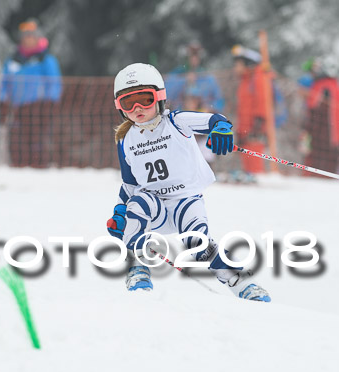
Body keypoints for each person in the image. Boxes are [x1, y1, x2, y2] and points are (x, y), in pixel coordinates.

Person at [106, 63, 270, 302]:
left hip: (185, 201)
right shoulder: (125, 140)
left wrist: (221, 129)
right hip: (155, 208)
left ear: (160, 98)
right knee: (139, 203)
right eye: (129, 103)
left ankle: (242, 282)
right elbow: (130, 185)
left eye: (145, 99)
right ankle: (138, 268)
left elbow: (214, 119)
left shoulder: (176, 121)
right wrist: (120, 212)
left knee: (198, 243)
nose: (138, 108)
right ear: (119, 107)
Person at [0, 18, 62, 167]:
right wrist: (2, 101)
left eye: (32, 36)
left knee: (37, 142)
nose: (28, 39)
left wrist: (51, 103)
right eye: (25, 36)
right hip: (18, 108)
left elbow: (54, 83)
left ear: (38, 37)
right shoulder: (13, 60)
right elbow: (5, 83)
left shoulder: (45, 59)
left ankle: (39, 170)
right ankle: (18, 169)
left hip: (39, 107)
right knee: (17, 142)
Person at [300, 56, 339, 174]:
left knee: (313, 181)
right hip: (336, 148)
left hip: (318, 145)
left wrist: (305, 135)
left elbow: (312, 116)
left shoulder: (320, 89)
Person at [231, 45, 268, 177]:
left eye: (238, 64)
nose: (235, 68)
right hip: (245, 130)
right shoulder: (245, 81)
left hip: (254, 130)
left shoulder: (258, 78)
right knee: (247, 166)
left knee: (255, 166)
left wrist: (258, 125)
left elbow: (262, 102)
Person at [165, 40, 224, 113]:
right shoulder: (176, 76)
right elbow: (166, 96)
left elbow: (219, 100)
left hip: (202, 116)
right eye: (191, 55)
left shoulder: (207, 78)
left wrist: (210, 108)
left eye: (196, 55)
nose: (194, 59)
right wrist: (184, 80)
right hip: (180, 117)